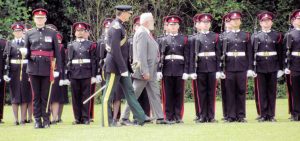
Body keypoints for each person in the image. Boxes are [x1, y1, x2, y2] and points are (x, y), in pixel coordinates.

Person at [121, 12, 171, 124]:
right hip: (145, 70)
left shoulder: (146, 32)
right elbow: (141, 54)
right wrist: (145, 71)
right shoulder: (142, 33)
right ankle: (124, 117)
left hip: (151, 70)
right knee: (133, 94)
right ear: (147, 22)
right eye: (152, 20)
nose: (154, 22)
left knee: (155, 93)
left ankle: (159, 118)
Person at [101, 5, 146, 127]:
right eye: (129, 13)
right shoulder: (115, 27)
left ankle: (141, 117)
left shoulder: (120, 26)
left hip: (122, 67)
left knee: (130, 92)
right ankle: (107, 122)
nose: (130, 16)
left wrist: (125, 67)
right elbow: (115, 50)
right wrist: (122, 69)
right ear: (123, 13)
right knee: (108, 95)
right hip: (115, 67)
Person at [24, 8, 62, 128]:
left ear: (45, 19)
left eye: (42, 18)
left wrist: (57, 69)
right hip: (33, 67)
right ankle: (37, 120)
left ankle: (46, 120)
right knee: (36, 96)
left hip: (47, 68)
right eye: (37, 18)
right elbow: (27, 51)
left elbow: (57, 52)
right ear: (34, 19)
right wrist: (25, 53)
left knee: (46, 95)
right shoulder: (29, 33)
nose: (39, 20)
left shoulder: (51, 33)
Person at [221, 11, 253, 122]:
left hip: (242, 66)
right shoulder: (224, 36)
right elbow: (222, 54)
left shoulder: (246, 35)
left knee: (241, 91)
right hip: (229, 67)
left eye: (237, 19)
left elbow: (249, 53)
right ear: (230, 21)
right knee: (229, 91)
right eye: (233, 20)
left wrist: (249, 68)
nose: (235, 21)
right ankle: (230, 116)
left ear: (240, 21)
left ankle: (240, 115)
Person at [251, 11, 283, 122]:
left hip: (273, 65)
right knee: (261, 91)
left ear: (272, 22)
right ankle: (263, 114)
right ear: (260, 23)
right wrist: (251, 68)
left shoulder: (277, 35)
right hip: (260, 66)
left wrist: (280, 68)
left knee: (272, 91)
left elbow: (280, 53)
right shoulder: (255, 36)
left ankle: (271, 114)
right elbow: (251, 53)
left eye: (268, 20)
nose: (266, 22)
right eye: (264, 21)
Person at [190, 13, 221, 123]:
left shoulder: (216, 37)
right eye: (204, 22)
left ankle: (211, 116)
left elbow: (218, 55)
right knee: (201, 93)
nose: (206, 24)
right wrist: (192, 70)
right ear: (199, 24)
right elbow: (192, 56)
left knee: (211, 93)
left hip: (212, 67)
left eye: (208, 22)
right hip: (200, 68)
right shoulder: (194, 38)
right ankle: (203, 115)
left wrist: (218, 70)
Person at [157, 15, 189, 123]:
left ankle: (178, 116)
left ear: (178, 26)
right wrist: (158, 71)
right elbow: (159, 57)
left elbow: (187, 56)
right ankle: (168, 116)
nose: (173, 26)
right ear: (168, 26)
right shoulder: (162, 40)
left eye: (175, 24)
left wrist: (186, 71)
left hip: (179, 69)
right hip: (166, 70)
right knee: (167, 94)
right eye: (171, 24)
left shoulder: (184, 39)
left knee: (179, 94)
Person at [66, 22, 97, 125]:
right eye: (78, 31)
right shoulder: (71, 45)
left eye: (82, 31)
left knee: (86, 96)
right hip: (74, 73)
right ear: (75, 33)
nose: (80, 32)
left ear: (85, 32)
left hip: (86, 73)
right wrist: (67, 76)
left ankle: (86, 118)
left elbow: (93, 61)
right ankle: (77, 118)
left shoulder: (91, 44)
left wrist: (93, 75)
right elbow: (68, 61)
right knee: (75, 97)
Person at [3, 22, 31, 125]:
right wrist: (6, 73)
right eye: (16, 31)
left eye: (19, 31)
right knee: (14, 95)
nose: (18, 33)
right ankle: (16, 119)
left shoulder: (26, 43)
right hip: (14, 72)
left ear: (22, 32)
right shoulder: (9, 43)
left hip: (25, 71)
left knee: (24, 95)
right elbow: (6, 59)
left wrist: (26, 53)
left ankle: (23, 119)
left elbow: (31, 58)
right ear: (13, 32)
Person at [283, 9, 300, 121]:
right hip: (295, 64)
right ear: (293, 21)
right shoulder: (289, 34)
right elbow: (284, 52)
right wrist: (285, 67)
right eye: (299, 18)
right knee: (295, 90)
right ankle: (295, 113)